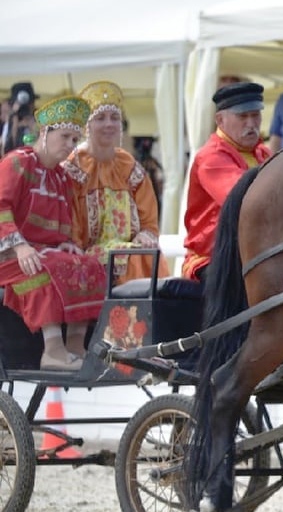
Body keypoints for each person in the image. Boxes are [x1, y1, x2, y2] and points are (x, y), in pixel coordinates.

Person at [0, 95, 106, 369]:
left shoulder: (61, 177)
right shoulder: (17, 163)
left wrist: (67, 244)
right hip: (10, 254)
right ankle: (53, 351)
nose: (71, 145)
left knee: (89, 265)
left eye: (75, 139)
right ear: (45, 133)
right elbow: (1, 207)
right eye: (65, 137)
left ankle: (75, 346)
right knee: (44, 267)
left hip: (43, 252)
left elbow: (62, 224)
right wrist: (20, 246)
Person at [62, 81, 166, 286]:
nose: (109, 124)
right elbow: (69, 225)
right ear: (86, 126)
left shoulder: (129, 166)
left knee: (145, 253)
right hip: (83, 252)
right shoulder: (72, 169)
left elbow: (149, 221)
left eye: (115, 118)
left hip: (130, 249)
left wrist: (146, 234)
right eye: (100, 118)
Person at [182, 82, 271, 282]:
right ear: (220, 120)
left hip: (253, 253)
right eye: (242, 116)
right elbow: (244, 199)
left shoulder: (263, 153)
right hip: (212, 259)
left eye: (255, 115)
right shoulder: (210, 157)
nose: (251, 123)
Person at [2, 81, 39, 155]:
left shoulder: (41, 120)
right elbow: (6, 151)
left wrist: (34, 127)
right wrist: (14, 125)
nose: (24, 109)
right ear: (13, 105)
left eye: (28, 104)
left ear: (33, 104)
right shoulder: (10, 122)